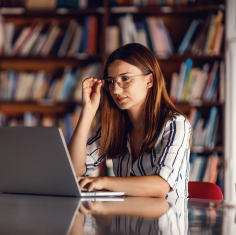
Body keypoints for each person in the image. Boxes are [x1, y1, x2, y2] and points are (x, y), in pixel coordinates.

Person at [67, 43, 191, 198]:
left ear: (150, 80)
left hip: (164, 220)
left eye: (125, 79)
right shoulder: (113, 127)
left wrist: (104, 182)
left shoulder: (175, 124)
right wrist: (88, 111)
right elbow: (73, 170)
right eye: (111, 81)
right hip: (124, 219)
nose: (116, 90)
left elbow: (161, 186)